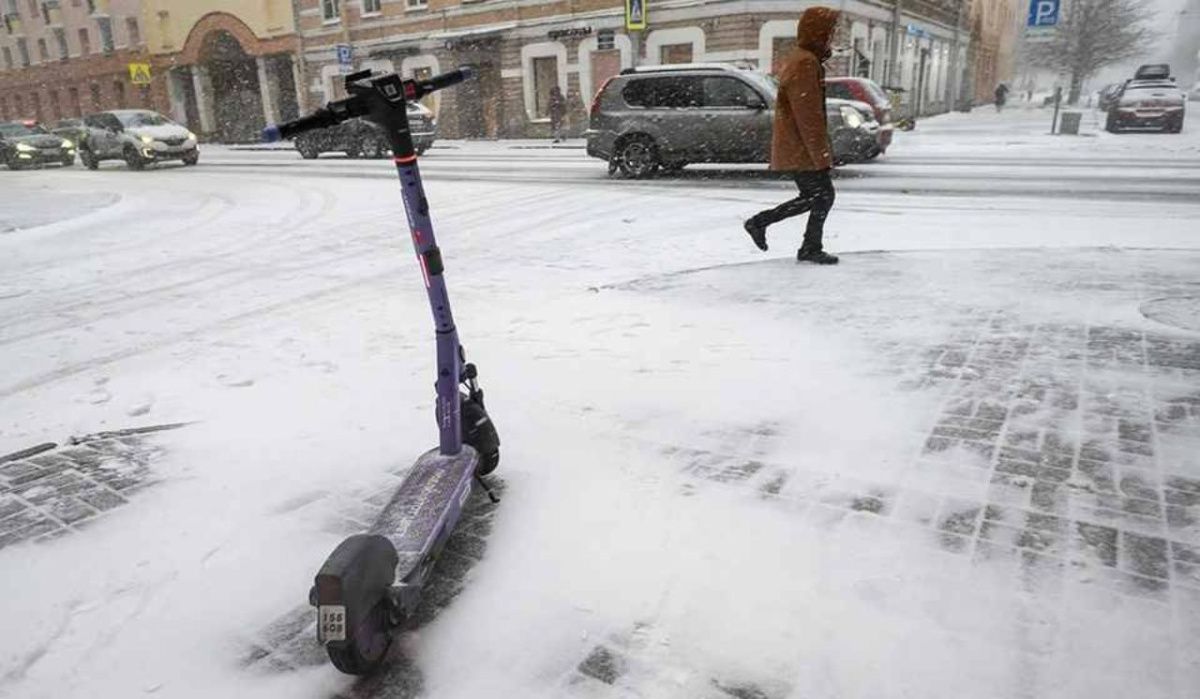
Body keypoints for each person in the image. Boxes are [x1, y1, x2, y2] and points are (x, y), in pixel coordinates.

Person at [744, 6, 841, 265]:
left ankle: (806, 244)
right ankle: (762, 223)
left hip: (800, 145)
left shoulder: (806, 59)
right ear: (816, 31)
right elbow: (808, 117)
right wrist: (820, 155)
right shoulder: (805, 63)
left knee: (819, 196)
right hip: (801, 146)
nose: (831, 36)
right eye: (829, 31)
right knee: (820, 196)